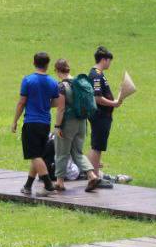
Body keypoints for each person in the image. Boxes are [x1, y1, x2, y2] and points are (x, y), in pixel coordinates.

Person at [10, 52, 60, 196]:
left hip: (31, 122)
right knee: (37, 155)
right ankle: (27, 186)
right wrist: (44, 105)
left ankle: (48, 184)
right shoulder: (52, 82)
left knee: (34, 155)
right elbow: (56, 102)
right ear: (47, 65)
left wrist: (14, 121)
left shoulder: (28, 80)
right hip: (45, 123)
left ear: (34, 62)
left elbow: (22, 102)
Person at [53, 58, 100, 193]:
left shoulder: (62, 86)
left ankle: (60, 182)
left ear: (57, 70)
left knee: (62, 152)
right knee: (77, 152)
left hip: (68, 122)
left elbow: (61, 109)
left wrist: (57, 126)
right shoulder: (79, 82)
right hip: (82, 122)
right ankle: (92, 175)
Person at [88, 46, 122, 186]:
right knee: (97, 146)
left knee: (97, 146)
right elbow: (97, 98)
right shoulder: (96, 75)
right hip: (100, 115)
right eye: (109, 61)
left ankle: (93, 175)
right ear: (104, 59)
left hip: (102, 115)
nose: (110, 64)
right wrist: (113, 104)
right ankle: (94, 177)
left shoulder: (98, 73)